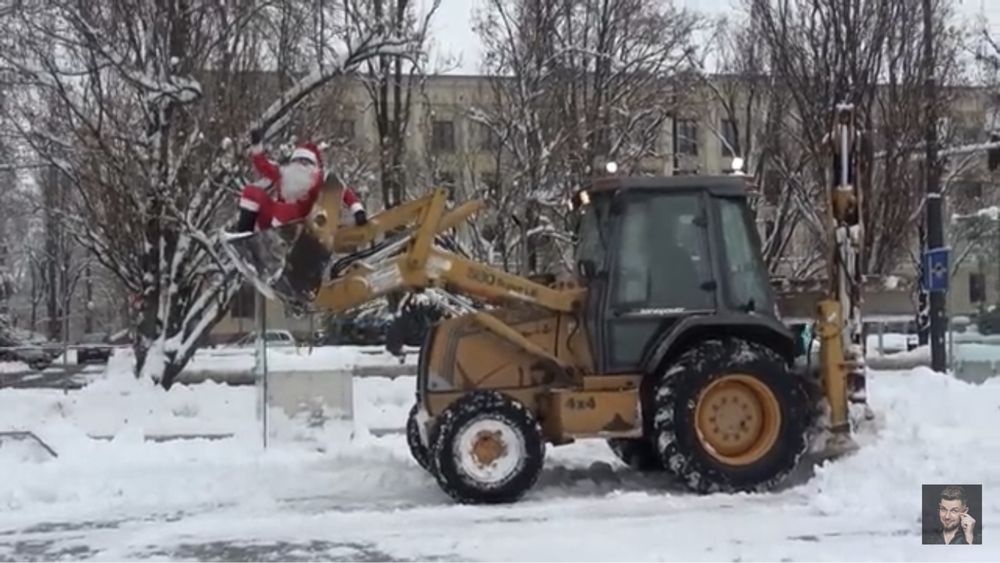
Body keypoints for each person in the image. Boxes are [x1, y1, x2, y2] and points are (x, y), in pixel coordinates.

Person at [233, 129, 368, 233]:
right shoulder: (283, 173)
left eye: (304, 162)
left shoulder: (320, 177)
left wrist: (358, 211)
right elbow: (263, 165)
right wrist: (257, 146)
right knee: (251, 192)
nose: (300, 165)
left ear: (313, 165)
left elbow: (343, 191)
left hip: (303, 225)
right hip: (271, 222)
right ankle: (244, 236)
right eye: (298, 161)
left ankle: (280, 237)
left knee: (286, 209)